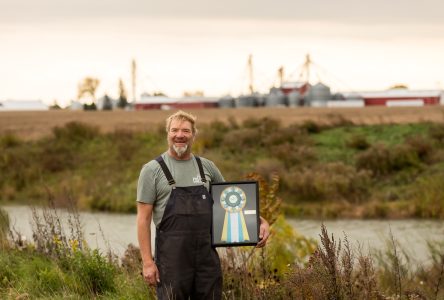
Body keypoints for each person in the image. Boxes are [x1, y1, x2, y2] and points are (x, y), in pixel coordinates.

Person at [136, 110, 270, 300]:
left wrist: (260, 223)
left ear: (193, 135)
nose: (180, 135)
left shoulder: (207, 167)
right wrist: (148, 262)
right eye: (174, 130)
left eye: (185, 131)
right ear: (168, 134)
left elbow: (231, 204)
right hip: (172, 261)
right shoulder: (152, 170)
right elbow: (143, 219)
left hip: (206, 259)